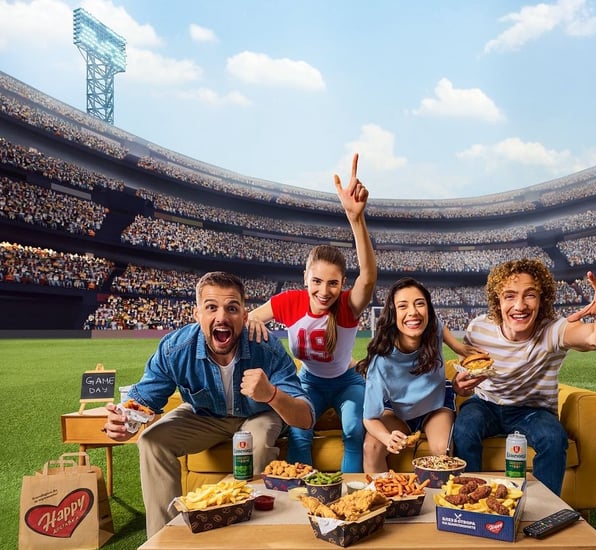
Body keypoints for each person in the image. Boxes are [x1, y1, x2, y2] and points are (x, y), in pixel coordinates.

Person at [103, 271, 314, 537]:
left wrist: (270, 394)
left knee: (256, 443)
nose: (222, 317)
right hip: (204, 415)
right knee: (151, 441)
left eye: (232, 308)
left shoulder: (266, 347)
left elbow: (304, 419)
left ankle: (257, 536)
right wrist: (126, 423)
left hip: (258, 414)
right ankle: (165, 539)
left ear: (245, 316)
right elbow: (144, 403)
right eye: (211, 307)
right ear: (197, 314)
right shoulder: (175, 349)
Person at [452, 259, 596, 496]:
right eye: (510, 296)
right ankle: (471, 499)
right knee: (464, 428)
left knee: (553, 438)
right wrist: (459, 385)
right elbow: (466, 373)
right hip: (486, 404)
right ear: (498, 301)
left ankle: (545, 509)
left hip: (532, 410)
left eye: (530, 295)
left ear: (542, 299)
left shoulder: (552, 330)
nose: (520, 305)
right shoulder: (478, 329)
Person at [248, 153, 375, 472]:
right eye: (316, 281)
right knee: (300, 433)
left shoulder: (347, 305)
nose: (323, 290)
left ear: (342, 283)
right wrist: (258, 336)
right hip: (307, 380)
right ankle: (301, 499)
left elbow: (369, 277)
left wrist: (356, 220)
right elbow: (250, 320)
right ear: (305, 278)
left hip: (346, 381)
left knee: (353, 430)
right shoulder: (289, 301)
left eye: (333, 283)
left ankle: (350, 499)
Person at [357, 277, 479, 473]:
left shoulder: (434, 327)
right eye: (403, 306)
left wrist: (466, 357)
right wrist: (387, 438)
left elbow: (453, 340)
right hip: (397, 411)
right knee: (370, 448)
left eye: (419, 304)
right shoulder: (381, 362)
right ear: (393, 314)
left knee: (442, 451)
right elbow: (369, 418)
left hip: (436, 405)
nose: (413, 312)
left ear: (428, 310)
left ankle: (439, 502)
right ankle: (380, 499)